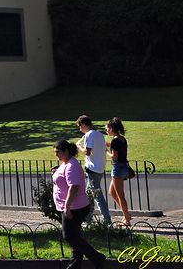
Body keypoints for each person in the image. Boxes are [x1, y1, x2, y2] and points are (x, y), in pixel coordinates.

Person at [53, 139, 106, 269]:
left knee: (69, 236)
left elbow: (74, 187)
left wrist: (67, 207)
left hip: (74, 207)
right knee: (75, 237)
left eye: (58, 152)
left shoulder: (71, 165)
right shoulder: (66, 163)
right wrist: (57, 172)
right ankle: (75, 265)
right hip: (72, 206)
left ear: (66, 151)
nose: (56, 155)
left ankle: (97, 257)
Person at [76, 115, 111, 225]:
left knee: (96, 195)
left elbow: (87, 152)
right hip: (99, 168)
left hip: (92, 168)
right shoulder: (99, 134)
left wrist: (79, 146)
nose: (80, 129)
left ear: (84, 125)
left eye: (80, 127)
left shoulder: (89, 135)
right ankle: (88, 219)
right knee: (89, 195)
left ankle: (106, 220)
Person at [106, 117, 131, 226]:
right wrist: (107, 145)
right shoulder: (121, 139)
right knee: (112, 192)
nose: (106, 131)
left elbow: (114, 157)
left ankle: (127, 219)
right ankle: (126, 214)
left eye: (107, 129)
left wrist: (106, 151)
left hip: (117, 168)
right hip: (124, 166)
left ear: (111, 128)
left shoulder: (115, 140)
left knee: (120, 195)